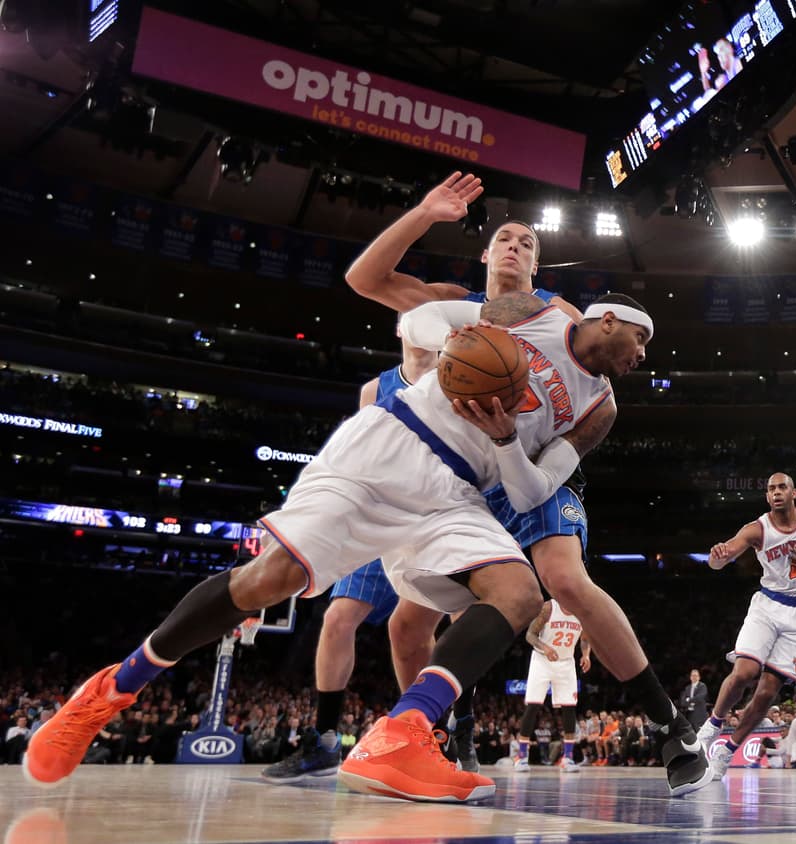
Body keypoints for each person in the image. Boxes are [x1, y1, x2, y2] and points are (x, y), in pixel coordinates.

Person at [23, 290, 652, 803]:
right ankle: (109, 691)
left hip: (459, 493)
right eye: (642, 338)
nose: (643, 356)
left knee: (517, 593)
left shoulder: (599, 408)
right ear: (611, 318)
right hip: (390, 447)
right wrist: (441, 353)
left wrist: (509, 438)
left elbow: (531, 491)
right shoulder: (533, 313)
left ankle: (401, 734)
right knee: (272, 579)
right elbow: (422, 318)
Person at [345, 172, 711, 796]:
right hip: (468, 479)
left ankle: (668, 724)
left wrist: (514, 440)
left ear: (540, 266)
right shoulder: (453, 309)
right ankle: (442, 735)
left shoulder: (562, 314)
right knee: (406, 625)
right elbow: (364, 280)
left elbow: (569, 431)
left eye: (529, 243)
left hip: (537, 475)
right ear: (485, 254)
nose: (515, 246)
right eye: (505, 239)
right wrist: (426, 213)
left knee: (566, 580)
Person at [261, 327, 445, 783]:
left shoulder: (458, 375)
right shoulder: (375, 389)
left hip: (432, 517)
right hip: (377, 515)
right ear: (401, 327)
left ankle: (435, 736)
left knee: (416, 634)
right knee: (337, 619)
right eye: (413, 317)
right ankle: (325, 739)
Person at [694, 472, 796, 780]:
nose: (776, 492)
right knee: (745, 672)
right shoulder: (757, 529)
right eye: (771, 488)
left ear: (794, 493)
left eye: (782, 487)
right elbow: (722, 558)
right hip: (768, 606)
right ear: (767, 497)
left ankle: (727, 751)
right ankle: (712, 724)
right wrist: (717, 558)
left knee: (766, 693)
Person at [513, 599, 590, 773]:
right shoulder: (549, 607)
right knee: (533, 706)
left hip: (566, 662)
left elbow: (585, 639)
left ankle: (568, 758)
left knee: (570, 708)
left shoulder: (582, 610)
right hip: (542, 660)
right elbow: (530, 635)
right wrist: (545, 647)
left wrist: (586, 655)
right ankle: (522, 756)